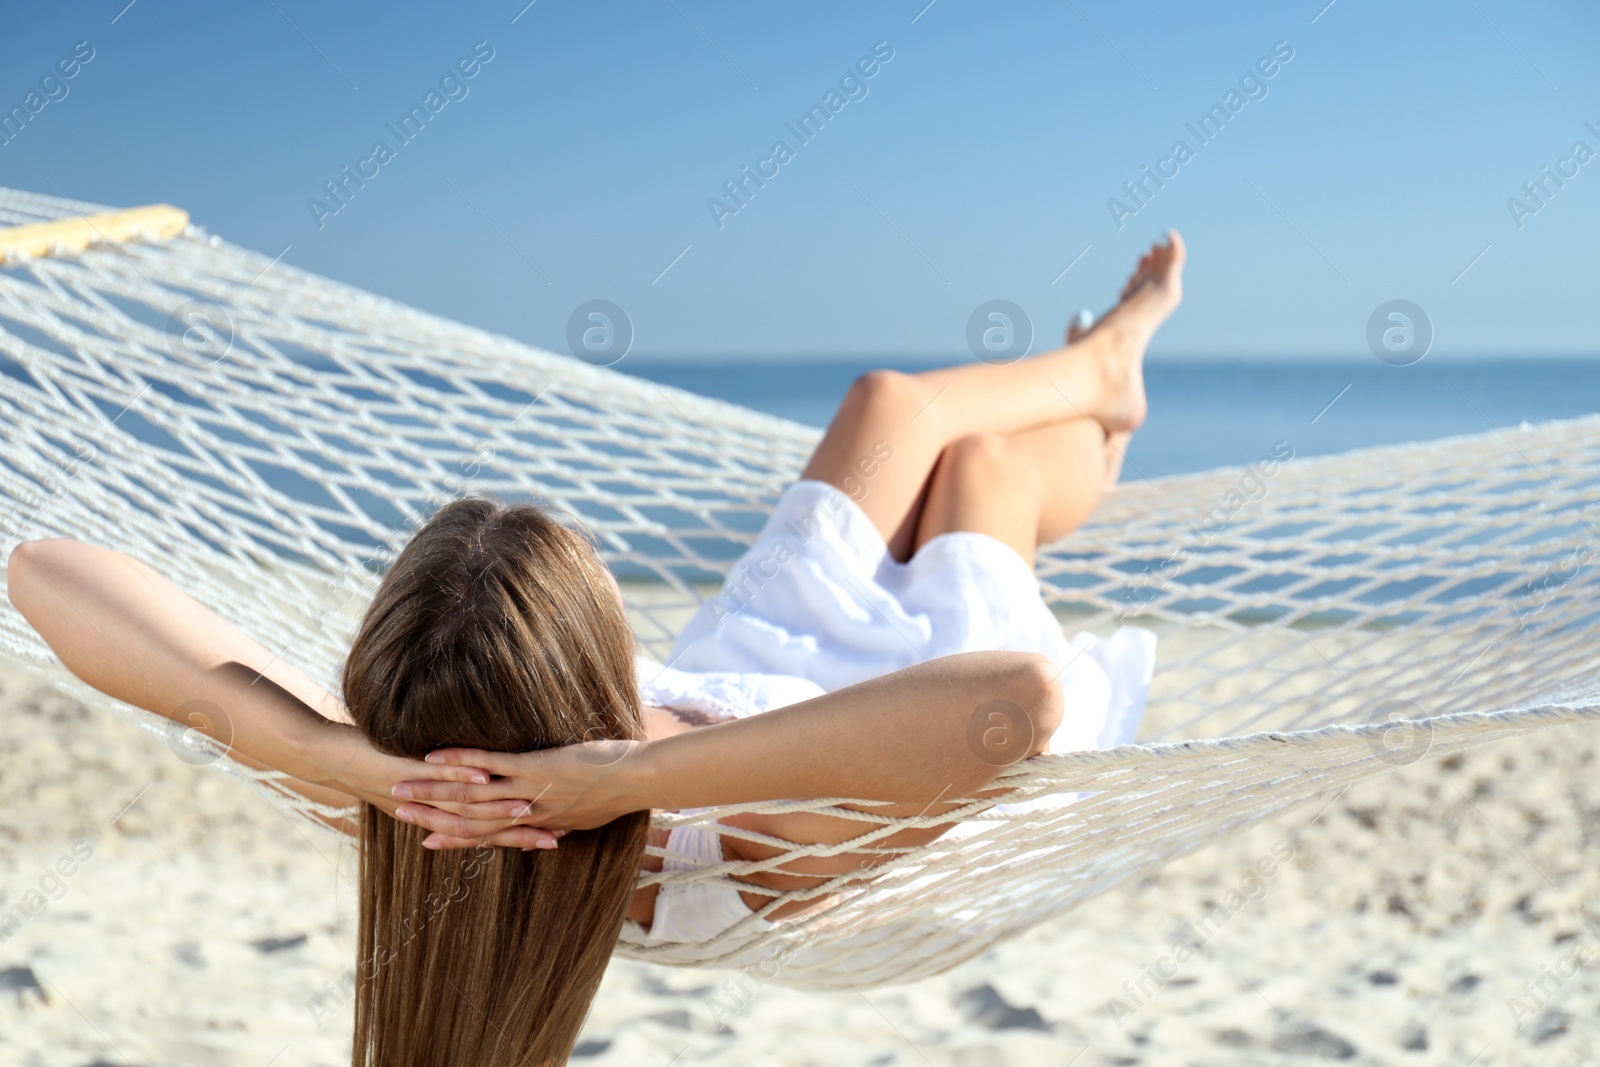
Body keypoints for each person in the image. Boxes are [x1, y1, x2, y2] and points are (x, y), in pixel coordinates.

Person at [6, 232, 1185, 1065]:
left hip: (743, 667)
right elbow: (1014, 702)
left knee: (888, 402)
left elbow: (44, 575)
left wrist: (328, 751)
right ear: (594, 662)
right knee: (978, 473)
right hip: (888, 706)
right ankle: (1105, 387)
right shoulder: (736, 852)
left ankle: (1096, 378)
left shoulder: (422, 785)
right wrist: (630, 776)